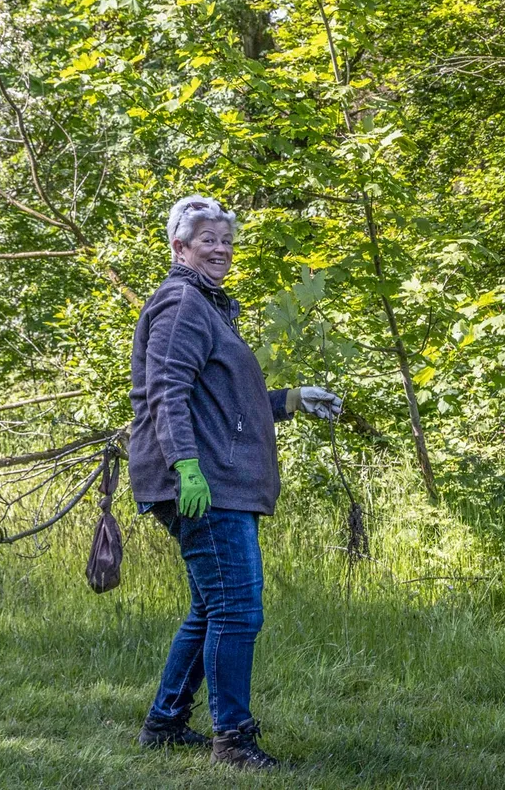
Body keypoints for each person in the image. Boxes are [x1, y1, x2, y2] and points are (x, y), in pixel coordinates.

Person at [127, 195, 342, 771]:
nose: (220, 249)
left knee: (211, 608)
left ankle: (166, 724)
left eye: (226, 240)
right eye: (207, 240)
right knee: (237, 611)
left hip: (216, 478)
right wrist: (185, 468)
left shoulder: (208, 306)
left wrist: (290, 400)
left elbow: (224, 403)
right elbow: (164, 392)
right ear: (179, 246)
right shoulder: (181, 303)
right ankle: (234, 740)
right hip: (204, 484)